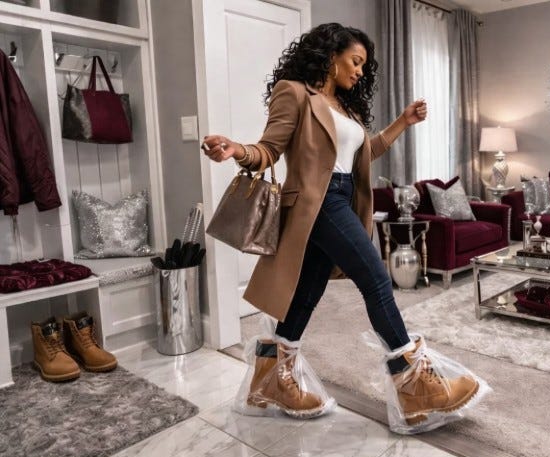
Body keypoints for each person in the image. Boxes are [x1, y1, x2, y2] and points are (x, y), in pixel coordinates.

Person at [201, 23, 479, 430]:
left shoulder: (347, 109)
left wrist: (402, 122)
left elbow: (364, 153)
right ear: (331, 56)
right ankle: (415, 385)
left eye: (364, 65)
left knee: (308, 291)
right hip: (319, 202)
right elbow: (269, 149)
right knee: (377, 280)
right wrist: (237, 150)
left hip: (342, 199)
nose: (360, 72)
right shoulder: (294, 92)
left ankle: (270, 379)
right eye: (355, 61)